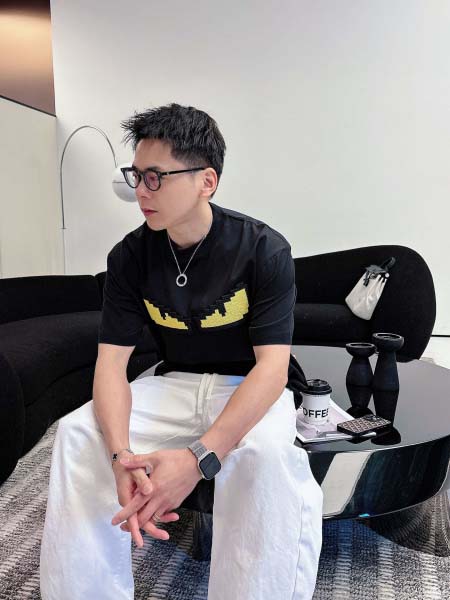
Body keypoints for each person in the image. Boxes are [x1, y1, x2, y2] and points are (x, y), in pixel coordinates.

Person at [39, 103, 324, 599]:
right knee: (78, 432)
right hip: (173, 380)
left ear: (206, 181)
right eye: (136, 176)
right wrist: (121, 457)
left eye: (155, 177)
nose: (140, 192)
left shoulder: (263, 249)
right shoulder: (129, 256)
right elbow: (111, 366)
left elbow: (273, 369)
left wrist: (197, 460)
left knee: (266, 456)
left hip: (248, 384)